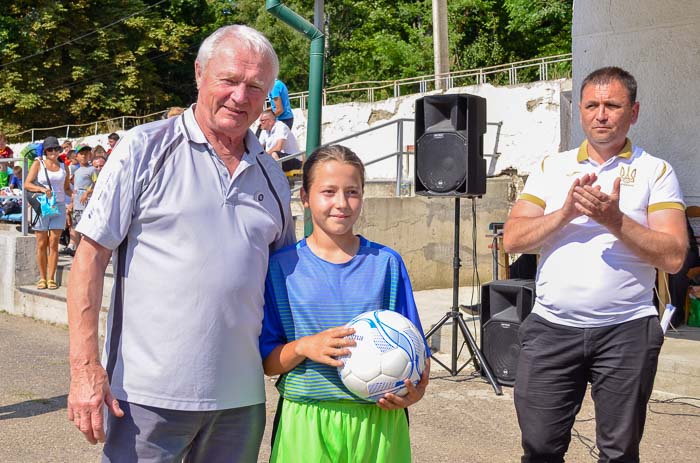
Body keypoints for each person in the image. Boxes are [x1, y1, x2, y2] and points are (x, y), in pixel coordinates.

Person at [66, 24, 294, 462]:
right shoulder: (143, 148)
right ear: (199, 74)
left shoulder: (271, 174)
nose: (240, 97)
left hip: (240, 403)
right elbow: (89, 259)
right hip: (146, 399)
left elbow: (285, 281)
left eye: (255, 87)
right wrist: (85, 369)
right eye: (228, 80)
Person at [503, 66, 688, 462]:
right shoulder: (552, 168)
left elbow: (673, 256)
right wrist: (565, 212)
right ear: (581, 111)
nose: (601, 114)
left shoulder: (656, 171)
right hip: (552, 329)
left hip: (626, 331)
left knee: (619, 453)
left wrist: (614, 220)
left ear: (633, 112)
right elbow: (512, 238)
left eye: (612, 105)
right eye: (592, 105)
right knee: (538, 447)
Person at [260, 145, 430, 462]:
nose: (341, 203)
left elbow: (417, 350)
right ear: (305, 198)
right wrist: (303, 347)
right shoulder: (281, 268)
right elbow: (268, 363)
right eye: (328, 192)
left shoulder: (386, 264)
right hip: (307, 420)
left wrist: (415, 391)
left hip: (379, 423)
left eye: (352, 192)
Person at [23, 136, 72, 290]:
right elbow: (27, 184)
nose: (53, 152)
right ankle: (42, 277)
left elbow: (66, 188)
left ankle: (51, 278)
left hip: (59, 206)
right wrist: (42, 189)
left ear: (59, 150)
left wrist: (75, 196)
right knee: (41, 243)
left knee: (54, 243)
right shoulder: (39, 164)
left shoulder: (64, 166)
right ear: (45, 151)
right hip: (43, 206)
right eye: (49, 149)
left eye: (55, 149)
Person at [63, 144, 94, 257]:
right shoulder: (77, 171)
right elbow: (75, 188)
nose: (84, 156)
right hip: (77, 204)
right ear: (76, 156)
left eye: (87, 153)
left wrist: (87, 192)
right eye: (82, 154)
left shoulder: (92, 170)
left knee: (85, 227)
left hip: (86, 204)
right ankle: (74, 247)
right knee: (75, 226)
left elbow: (97, 184)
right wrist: (72, 202)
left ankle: (85, 251)